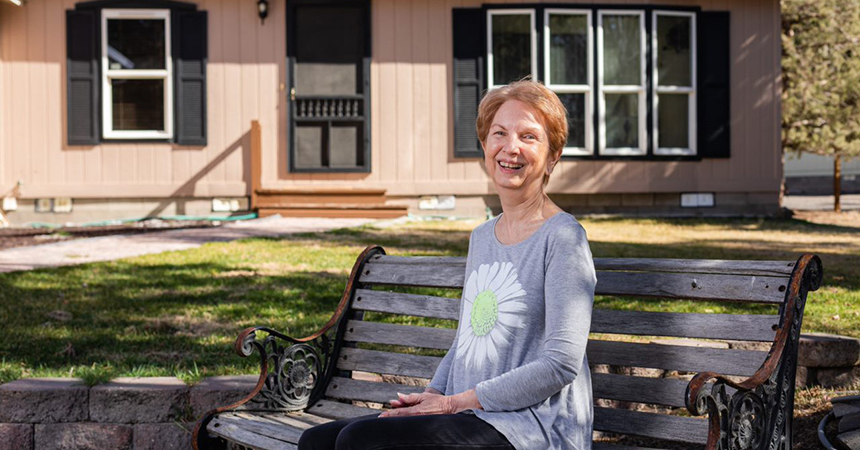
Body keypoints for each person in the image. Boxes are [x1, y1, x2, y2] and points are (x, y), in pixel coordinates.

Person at [297, 79, 597, 450]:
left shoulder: (563, 237)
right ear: (486, 146)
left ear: (553, 155)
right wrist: (432, 396)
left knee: (359, 441)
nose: (511, 147)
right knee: (317, 441)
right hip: (470, 414)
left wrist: (454, 403)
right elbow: (467, 340)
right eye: (499, 133)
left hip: (532, 426)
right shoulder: (483, 237)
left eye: (529, 137)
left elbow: (561, 363)